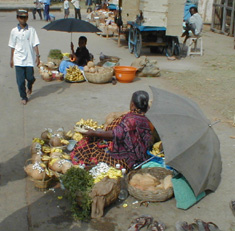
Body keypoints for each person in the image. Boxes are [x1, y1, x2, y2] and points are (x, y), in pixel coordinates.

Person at [70, 90, 154, 171]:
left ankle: (86, 164)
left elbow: (114, 134)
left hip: (127, 158)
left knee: (88, 144)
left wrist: (94, 133)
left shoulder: (131, 120)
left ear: (132, 104)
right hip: (141, 153)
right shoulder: (147, 118)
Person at [8, 9, 40, 105]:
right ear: (18, 18)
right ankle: (23, 96)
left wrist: (38, 56)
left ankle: (30, 85)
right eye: (21, 17)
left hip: (29, 59)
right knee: (20, 81)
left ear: (27, 18)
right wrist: (11, 59)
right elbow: (12, 46)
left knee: (30, 77)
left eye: (25, 17)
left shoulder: (31, 30)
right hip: (18, 59)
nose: (23, 19)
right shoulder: (14, 31)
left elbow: (35, 43)